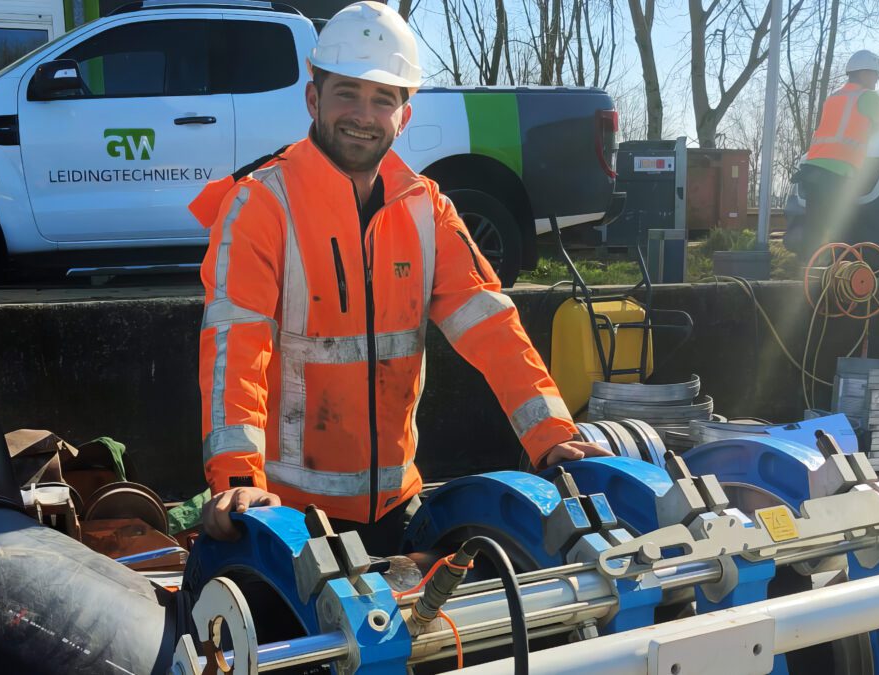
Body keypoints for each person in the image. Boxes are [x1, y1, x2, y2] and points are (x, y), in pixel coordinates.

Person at [188, 1, 610, 554]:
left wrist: (552, 436)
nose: (363, 115)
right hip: (285, 517)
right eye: (347, 93)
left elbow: (493, 327)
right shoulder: (261, 206)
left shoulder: (427, 209)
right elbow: (235, 347)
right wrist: (238, 478)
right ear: (313, 99)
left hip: (397, 505)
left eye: (382, 99)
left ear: (403, 116)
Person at [787, 50, 879, 257]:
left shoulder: (834, 98)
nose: (877, 78)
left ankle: (808, 269)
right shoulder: (868, 97)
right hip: (838, 172)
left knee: (815, 227)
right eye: (875, 74)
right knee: (844, 227)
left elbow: (847, 128)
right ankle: (844, 269)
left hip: (813, 169)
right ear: (863, 73)